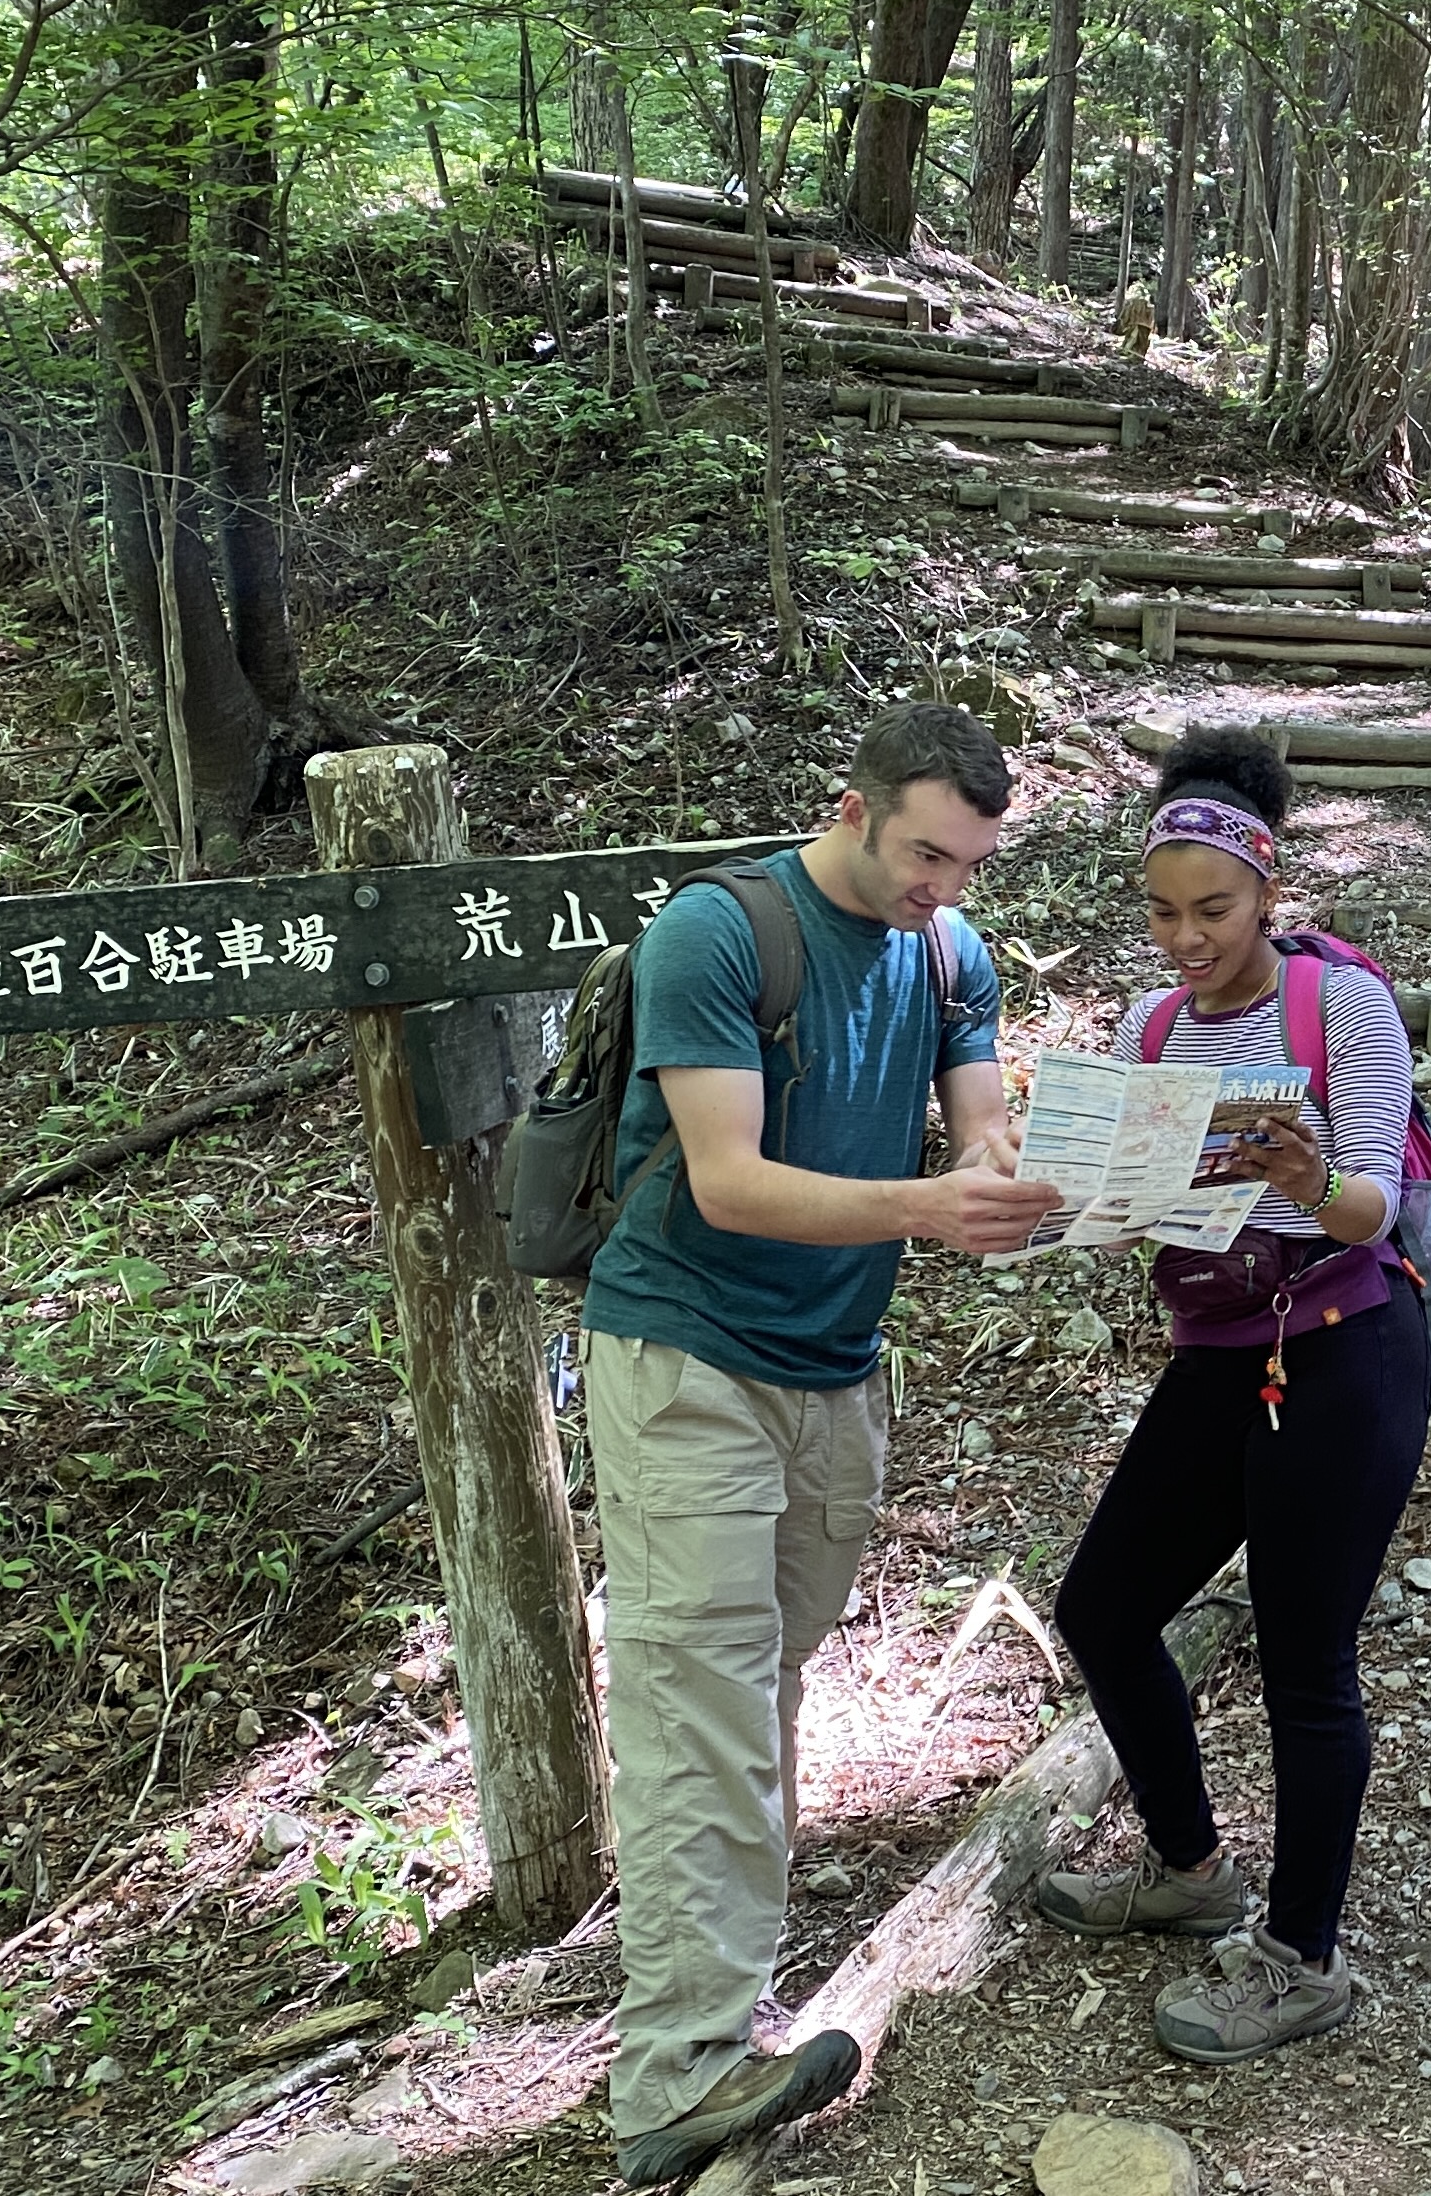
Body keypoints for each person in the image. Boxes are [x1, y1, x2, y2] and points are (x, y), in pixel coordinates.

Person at [583, 702, 1066, 2185]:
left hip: (833, 1371)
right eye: (928, 852)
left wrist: (1013, 1172)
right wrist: (932, 1206)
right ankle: (674, 2075)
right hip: (686, 1357)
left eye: (973, 863)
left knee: (755, 1685)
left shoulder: (950, 955)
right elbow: (726, 1181)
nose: (945, 886)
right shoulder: (721, 935)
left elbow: (981, 1125)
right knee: (701, 1705)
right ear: (849, 805)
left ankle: (719, 1998)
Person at [1034, 727, 1431, 2066]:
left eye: (1213, 910)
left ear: (1269, 892)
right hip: (1223, 1349)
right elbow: (1141, 1202)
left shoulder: (1343, 1009)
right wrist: (1075, 1198)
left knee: (1304, 1660)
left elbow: (1376, 1204)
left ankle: (1298, 1958)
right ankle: (1191, 1865)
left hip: (1346, 1346)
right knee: (1101, 1605)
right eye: (1161, 911)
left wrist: (1306, 1176)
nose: (1186, 938)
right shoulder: (1152, 1026)